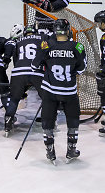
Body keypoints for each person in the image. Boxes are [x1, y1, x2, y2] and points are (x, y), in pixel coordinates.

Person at [31, 19, 86, 164]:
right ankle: (71, 149)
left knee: (48, 120)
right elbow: (81, 69)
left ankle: (50, 151)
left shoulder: (46, 45)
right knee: (73, 120)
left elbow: (34, 66)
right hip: (69, 91)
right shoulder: (77, 47)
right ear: (67, 31)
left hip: (50, 91)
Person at [4, 24, 47, 137]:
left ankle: (8, 121)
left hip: (19, 72)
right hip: (36, 71)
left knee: (14, 99)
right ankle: (49, 122)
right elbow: (46, 54)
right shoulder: (42, 38)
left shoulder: (18, 41)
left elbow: (16, 59)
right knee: (47, 98)